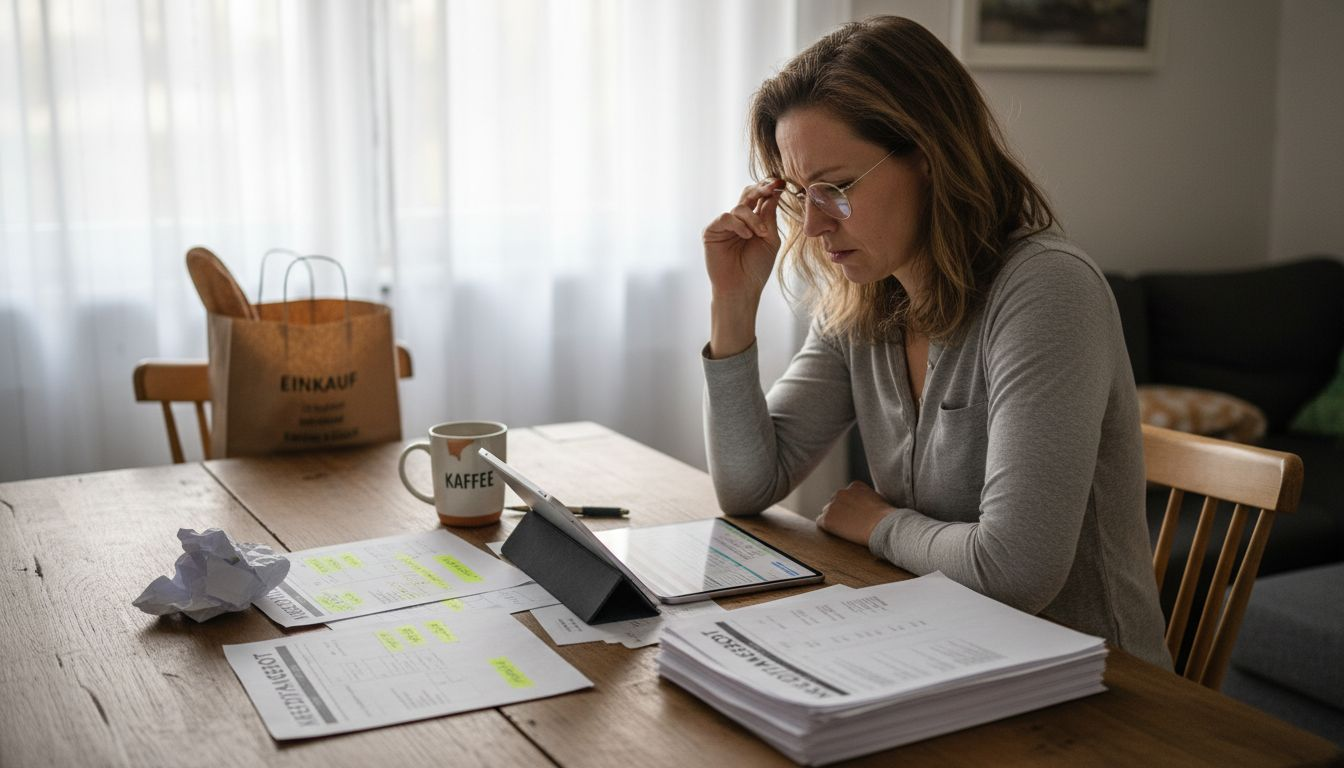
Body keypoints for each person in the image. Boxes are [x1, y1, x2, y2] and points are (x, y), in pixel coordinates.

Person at [700, 15, 1170, 669]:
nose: (811, 227)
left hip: (1093, 684)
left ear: (928, 156)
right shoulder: (864, 299)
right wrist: (733, 303)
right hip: (942, 652)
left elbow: (1015, 572)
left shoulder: (1047, 290)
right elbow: (748, 486)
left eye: (836, 188)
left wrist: (879, 524)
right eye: (802, 195)